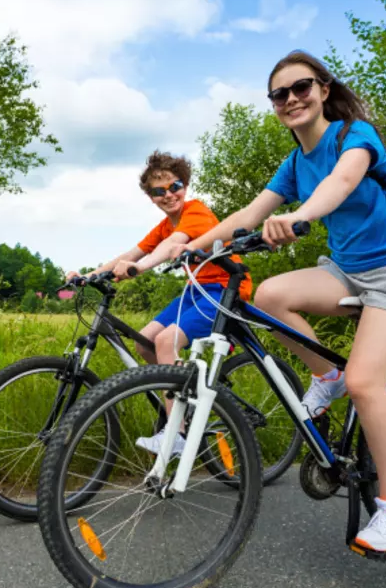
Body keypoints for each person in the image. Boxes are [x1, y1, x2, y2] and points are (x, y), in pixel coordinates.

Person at [169, 51, 386, 553]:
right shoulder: (295, 162)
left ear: (323, 89)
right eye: (280, 93)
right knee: (269, 295)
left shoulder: (354, 135)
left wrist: (300, 219)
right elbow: (251, 211)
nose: (292, 99)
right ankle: (326, 375)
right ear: (273, 105)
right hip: (348, 271)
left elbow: (340, 183)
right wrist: (194, 246)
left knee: (366, 382)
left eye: (302, 87)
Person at [64, 150, 252, 457]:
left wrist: (142, 268)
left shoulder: (197, 212)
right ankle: (187, 395)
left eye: (174, 186)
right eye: (158, 191)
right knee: (144, 343)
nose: (168, 195)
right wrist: (89, 275)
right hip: (196, 290)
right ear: (150, 197)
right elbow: (132, 252)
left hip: (224, 290)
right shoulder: (164, 225)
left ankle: (176, 432)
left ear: (185, 185)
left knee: (165, 341)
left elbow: (169, 248)